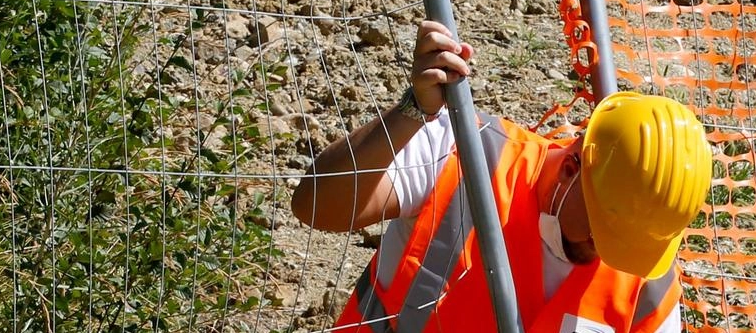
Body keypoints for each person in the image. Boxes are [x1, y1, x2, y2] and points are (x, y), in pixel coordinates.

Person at [291, 20, 712, 333]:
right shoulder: (466, 152)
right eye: (602, 231)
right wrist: (412, 113)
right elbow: (315, 207)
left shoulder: (647, 271)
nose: (608, 255)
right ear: (570, 169)